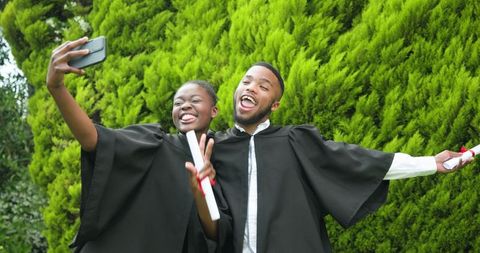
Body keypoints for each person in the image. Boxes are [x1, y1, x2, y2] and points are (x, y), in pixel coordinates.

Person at [211, 62, 471, 253]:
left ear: (274, 105)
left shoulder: (294, 141)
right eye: (246, 82)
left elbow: (358, 161)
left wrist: (429, 163)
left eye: (263, 86)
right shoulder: (213, 147)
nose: (251, 88)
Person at [46, 37, 231, 253]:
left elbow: (216, 233)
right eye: (178, 103)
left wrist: (201, 191)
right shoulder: (151, 142)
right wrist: (56, 87)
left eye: (195, 101)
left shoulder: (224, 161)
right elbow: (93, 139)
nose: (185, 106)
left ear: (214, 111)